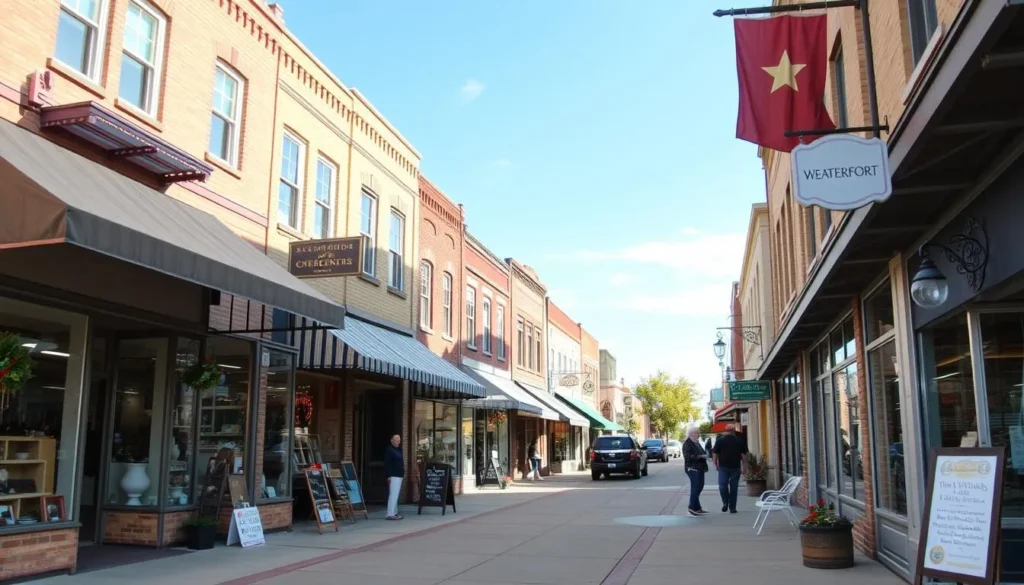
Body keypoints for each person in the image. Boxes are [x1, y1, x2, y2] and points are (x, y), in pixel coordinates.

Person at [712, 423, 748, 513]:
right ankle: (732, 507)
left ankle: (725, 502)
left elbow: (715, 453)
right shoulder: (739, 440)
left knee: (722, 485)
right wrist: (745, 467)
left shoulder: (720, 440)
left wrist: (715, 463)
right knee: (734, 487)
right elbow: (744, 455)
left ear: (726, 430)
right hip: (735, 467)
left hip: (723, 467)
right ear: (733, 430)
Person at [682, 423, 709, 516]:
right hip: (692, 468)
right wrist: (700, 456)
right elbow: (688, 456)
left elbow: (703, 452)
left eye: (697, 433)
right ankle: (692, 507)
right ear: (690, 434)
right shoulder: (687, 443)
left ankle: (697, 507)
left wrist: (705, 454)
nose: (697, 435)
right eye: (694, 433)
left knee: (700, 486)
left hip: (700, 468)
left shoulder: (697, 443)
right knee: (695, 487)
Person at [385, 434, 404, 520]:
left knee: (396, 495)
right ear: (391, 440)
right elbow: (387, 463)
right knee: (393, 494)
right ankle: (390, 513)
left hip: (399, 475)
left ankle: (395, 512)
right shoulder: (390, 450)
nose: (398, 441)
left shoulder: (398, 450)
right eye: (396, 440)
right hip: (393, 475)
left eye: (399, 440)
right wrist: (388, 475)